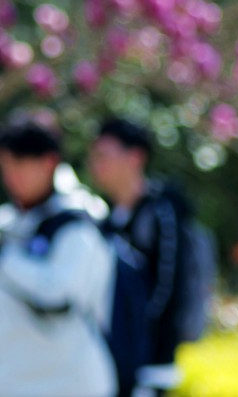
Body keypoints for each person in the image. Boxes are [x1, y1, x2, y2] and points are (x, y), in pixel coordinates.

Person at [0, 114, 117, 397]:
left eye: (19, 165)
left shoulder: (76, 226)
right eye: (4, 166)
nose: (10, 177)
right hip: (15, 383)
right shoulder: (7, 222)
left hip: (68, 384)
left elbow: (57, 295)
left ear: (49, 162)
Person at [87, 118, 185, 397]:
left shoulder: (163, 213)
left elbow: (167, 291)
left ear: (135, 157)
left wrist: (144, 353)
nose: (96, 164)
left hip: (150, 367)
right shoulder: (106, 218)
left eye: (104, 155)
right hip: (112, 362)